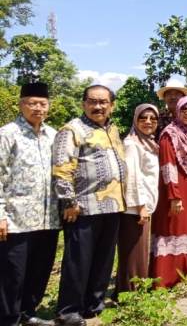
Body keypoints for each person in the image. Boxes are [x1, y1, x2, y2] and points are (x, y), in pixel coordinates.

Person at [52, 85, 127, 326]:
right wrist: (69, 202)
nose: (98, 106)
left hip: (113, 205)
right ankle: (68, 311)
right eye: (92, 102)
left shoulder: (112, 129)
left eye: (103, 102)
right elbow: (62, 168)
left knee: (104, 259)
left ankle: (93, 305)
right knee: (78, 261)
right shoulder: (72, 129)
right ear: (84, 103)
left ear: (111, 105)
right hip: (83, 207)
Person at [0, 83, 60, 326]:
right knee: (12, 273)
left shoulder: (54, 135)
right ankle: (8, 318)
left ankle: (28, 312)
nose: (37, 108)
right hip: (16, 218)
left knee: (40, 268)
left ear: (48, 106)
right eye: (31, 103)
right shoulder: (7, 134)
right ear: (21, 104)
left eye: (42, 104)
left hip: (48, 217)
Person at [150, 97, 187, 288]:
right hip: (175, 190)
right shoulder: (169, 135)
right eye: (185, 109)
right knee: (173, 227)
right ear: (178, 111)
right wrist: (174, 195)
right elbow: (168, 166)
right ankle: (167, 277)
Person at [115, 104, 160, 295]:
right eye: (143, 118)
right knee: (133, 253)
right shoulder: (132, 144)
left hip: (144, 206)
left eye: (152, 119)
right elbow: (132, 177)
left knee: (139, 252)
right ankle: (129, 294)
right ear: (135, 120)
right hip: (135, 208)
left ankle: (132, 291)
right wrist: (141, 206)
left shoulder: (147, 142)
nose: (148, 122)